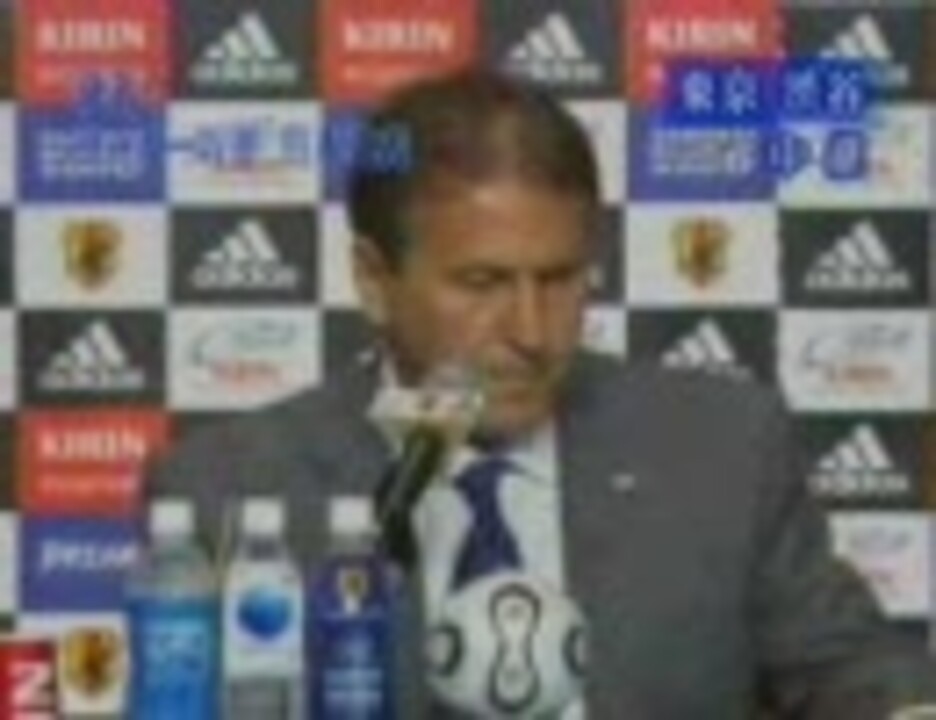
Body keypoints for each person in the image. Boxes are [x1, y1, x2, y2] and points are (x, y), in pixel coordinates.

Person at [146, 69, 936, 719]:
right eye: (481, 282)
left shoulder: (721, 447)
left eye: (559, 279)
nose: (530, 330)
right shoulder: (229, 487)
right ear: (374, 280)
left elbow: (857, 673)